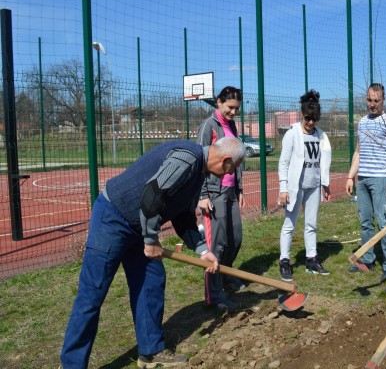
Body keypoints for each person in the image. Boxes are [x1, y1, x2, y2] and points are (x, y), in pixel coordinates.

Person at [60, 137, 246, 369]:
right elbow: (152, 193)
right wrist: (150, 239)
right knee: (93, 291)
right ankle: (72, 364)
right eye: (232, 169)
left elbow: (183, 217)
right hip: (113, 218)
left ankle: (150, 352)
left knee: (151, 281)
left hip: (140, 224)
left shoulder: (199, 172)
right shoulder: (187, 158)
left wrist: (202, 250)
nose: (227, 175)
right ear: (226, 160)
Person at [345, 83, 386, 283]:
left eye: (376, 101)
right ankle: (368, 259)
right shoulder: (362, 122)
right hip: (363, 179)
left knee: (384, 222)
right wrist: (350, 176)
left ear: (383, 99)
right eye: (369, 100)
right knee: (365, 221)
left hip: (381, 179)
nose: (372, 104)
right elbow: (359, 151)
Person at [197, 86, 246, 310]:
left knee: (235, 238)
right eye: (230, 107)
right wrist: (203, 195)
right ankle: (214, 294)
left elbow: (235, 158)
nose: (233, 112)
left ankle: (225, 275)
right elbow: (200, 160)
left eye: (236, 108)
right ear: (219, 102)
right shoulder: (209, 126)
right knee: (216, 244)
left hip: (230, 191)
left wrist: (240, 187)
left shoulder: (233, 125)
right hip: (213, 193)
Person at [278, 90, 332, 281]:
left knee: (311, 224)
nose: (311, 123)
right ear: (303, 114)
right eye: (308, 118)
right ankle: (284, 260)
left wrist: (325, 184)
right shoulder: (292, 134)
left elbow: (323, 161)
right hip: (296, 187)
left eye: (315, 119)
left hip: (313, 186)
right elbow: (283, 162)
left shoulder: (320, 135)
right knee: (289, 224)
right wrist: (283, 188)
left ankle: (311, 258)